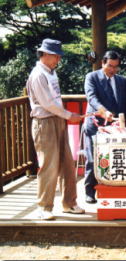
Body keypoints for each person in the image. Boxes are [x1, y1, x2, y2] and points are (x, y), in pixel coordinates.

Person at [26, 38, 85, 220]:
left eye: (58, 56)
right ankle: (44, 206)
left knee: (67, 163)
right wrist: (69, 115)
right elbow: (47, 103)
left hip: (58, 120)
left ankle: (69, 202)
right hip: (44, 122)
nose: (58, 60)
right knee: (49, 165)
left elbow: (55, 100)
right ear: (44, 54)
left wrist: (65, 116)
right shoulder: (38, 75)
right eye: (55, 56)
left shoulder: (51, 72)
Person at [83, 51, 126, 203]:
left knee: (115, 159)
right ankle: (89, 191)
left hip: (116, 127)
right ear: (103, 63)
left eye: (116, 67)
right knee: (93, 159)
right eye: (110, 66)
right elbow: (91, 97)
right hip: (96, 125)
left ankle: (110, 191)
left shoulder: (122, 81)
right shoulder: (91, 77)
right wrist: (103, 112)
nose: (113, 69)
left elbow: (125, 105)